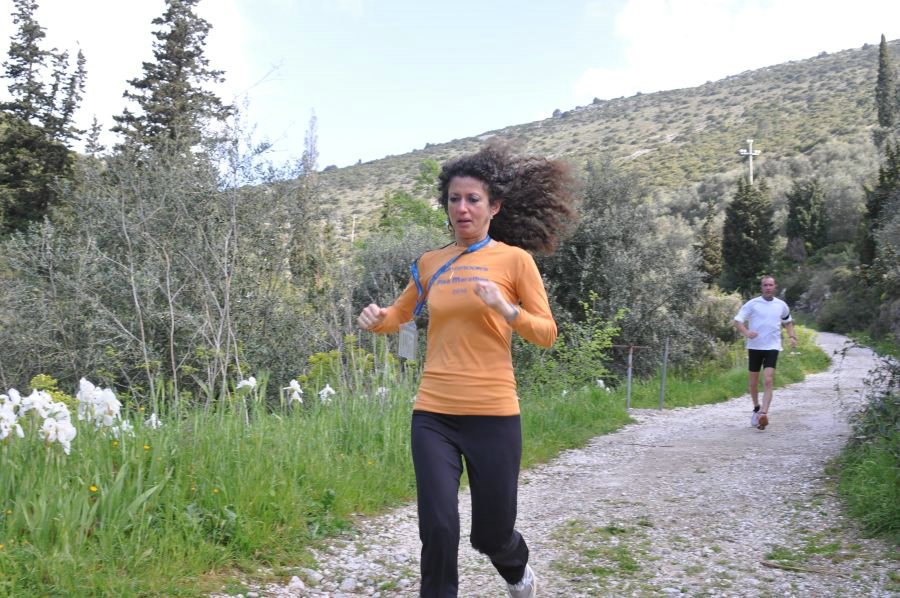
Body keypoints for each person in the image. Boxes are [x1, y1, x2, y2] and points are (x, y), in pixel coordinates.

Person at [357, 143, 575, 598]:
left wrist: (507, 309)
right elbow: (400, 314)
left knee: (491, 535)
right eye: (454, 199)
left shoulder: (515, 261)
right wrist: (378, 320)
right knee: (438, 526)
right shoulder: (429, 263)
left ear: (494, 207)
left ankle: (517, 571)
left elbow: (547, 333)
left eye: (473, 199)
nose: (462, 208)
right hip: (433, 413)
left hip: (494, 414)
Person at [733, 275, 797, 430]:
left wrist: (792, 336)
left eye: (770, 285)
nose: (768, 288)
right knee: (753, 383)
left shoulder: (781, 305)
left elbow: (788, 321)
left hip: (772, 347)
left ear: (775, 287)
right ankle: (756, 408)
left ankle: (763, 414)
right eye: (765, 285)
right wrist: (747, 332)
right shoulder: (753, 304)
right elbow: (737, 321)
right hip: (755, 347)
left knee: (768, 379)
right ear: (761, 287)